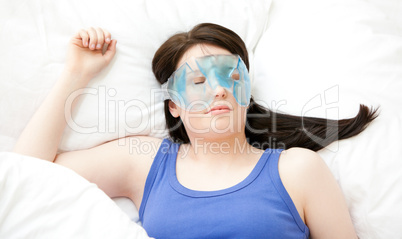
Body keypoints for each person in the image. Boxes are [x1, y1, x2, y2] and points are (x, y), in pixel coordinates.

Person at [13, 23, 377, 238]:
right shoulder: (144, 164)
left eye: (231, 77)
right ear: (174, 105)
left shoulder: (299, 169)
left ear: (246, 93)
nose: (219, 89)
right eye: (199, 80)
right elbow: (22, 175)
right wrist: (76, 74)